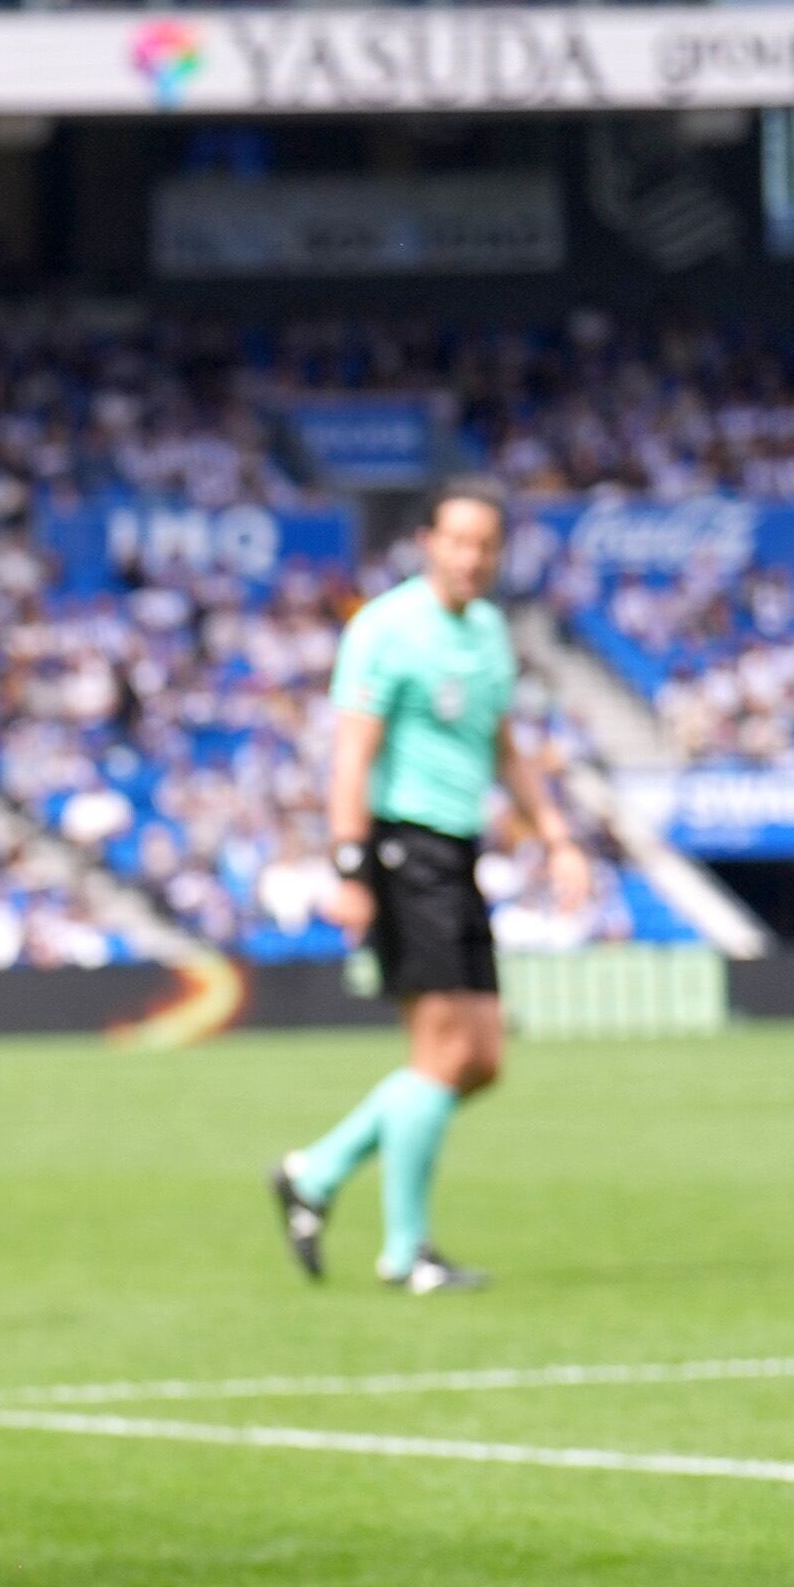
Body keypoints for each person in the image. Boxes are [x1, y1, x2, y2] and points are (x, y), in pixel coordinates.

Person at [270, 479, 588, 1293]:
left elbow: (504, 747)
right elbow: (351, 756)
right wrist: (350, 867)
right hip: (403, 851)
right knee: (443, 1050)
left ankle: (316, 1171)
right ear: (428, 542)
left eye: (486, 545)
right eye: (458, 541)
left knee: (481, 1061)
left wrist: (555, 836)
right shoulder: (384, 629)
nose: (472, 557)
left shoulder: (488, 633)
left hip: (459, 852)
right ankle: (405, 1252)